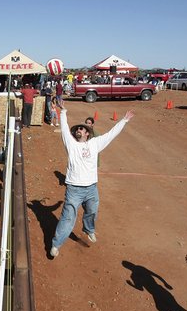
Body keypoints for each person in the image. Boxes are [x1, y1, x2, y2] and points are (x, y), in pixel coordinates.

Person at [49, 104, 134, 258]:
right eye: (77, 129)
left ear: (87, 133)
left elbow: (111, 134)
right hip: (74, 189)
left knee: (92, 211)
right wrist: (63, 112)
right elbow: (64, 127)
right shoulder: (71, 144)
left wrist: (124, 121)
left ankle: (88, 230)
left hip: (91, 188)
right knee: (67, 219)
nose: (78, 130)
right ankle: (56, 244)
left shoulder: (95, 144)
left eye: (82, 129)